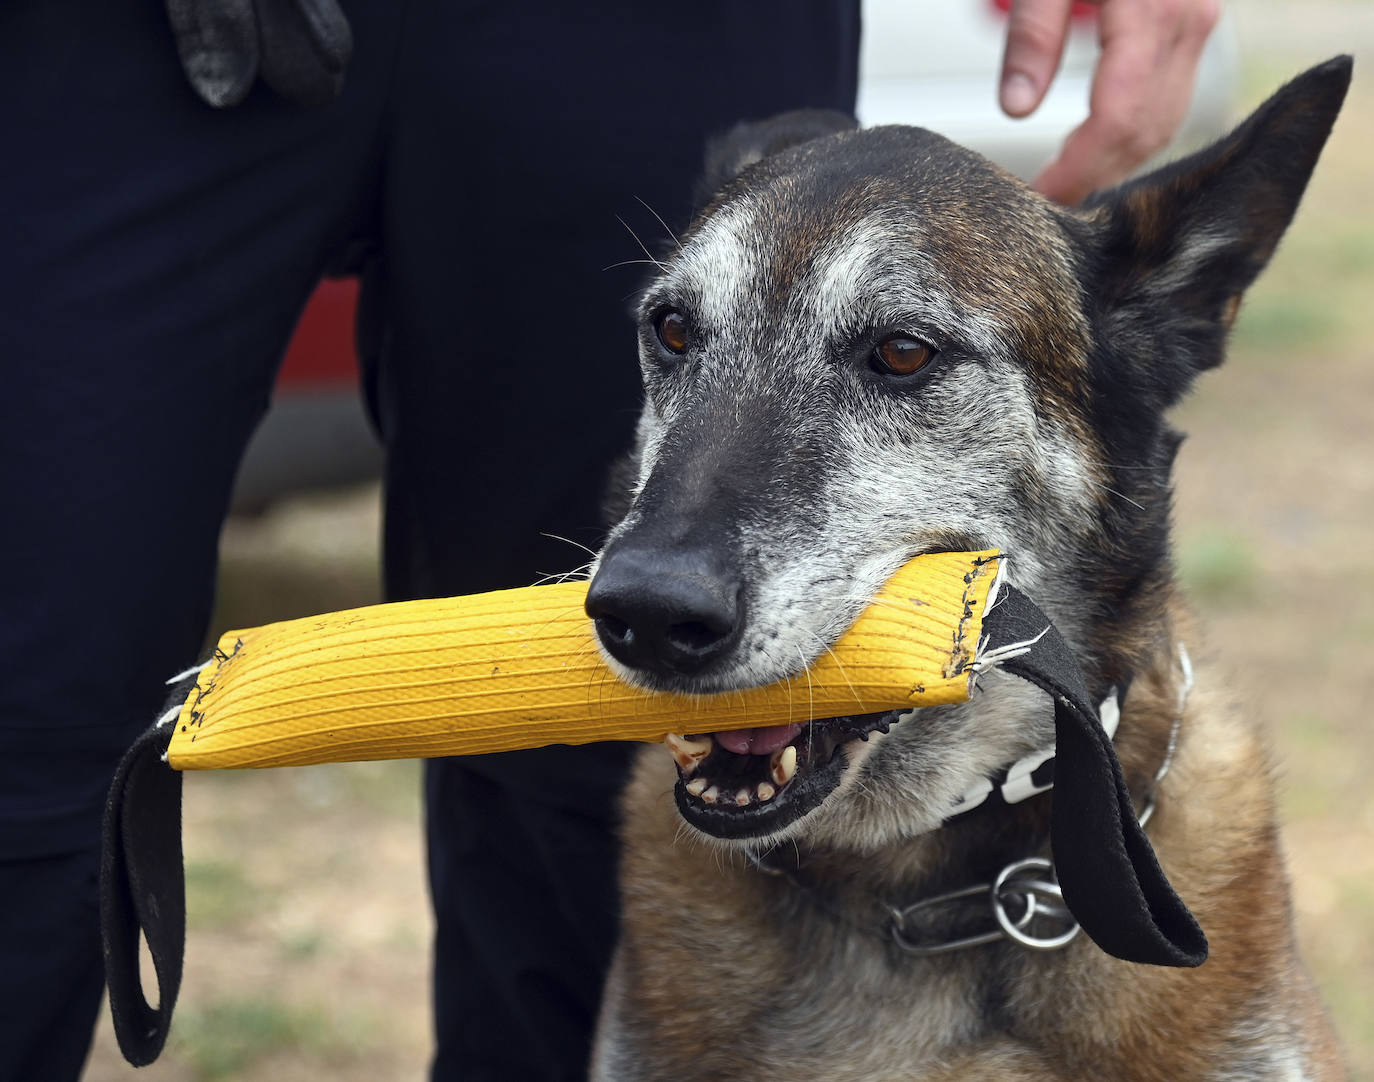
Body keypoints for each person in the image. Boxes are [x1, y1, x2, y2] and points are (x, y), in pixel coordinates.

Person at [0, 1, 1217, 1079]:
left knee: (579, 779)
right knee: (23, 717)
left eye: (901, 355)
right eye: (675, 334)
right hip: (123, 34)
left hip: (649, 29)